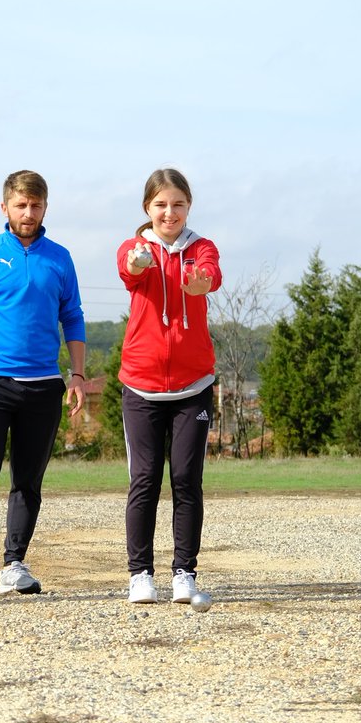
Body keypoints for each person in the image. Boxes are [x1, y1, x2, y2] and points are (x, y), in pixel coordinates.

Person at [0, 170, 86, 598]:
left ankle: (14, 564)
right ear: (4, 208)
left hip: (44, 384)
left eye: (36, 205)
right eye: (21, 205)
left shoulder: (60, 258)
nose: (29, 213)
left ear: (45, 207)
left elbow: (73, 317)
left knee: (28, 479)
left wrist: (77, 374)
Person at [117, 168, 222, 605]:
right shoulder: (135, 246)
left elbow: (209, 275)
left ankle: (185, 572)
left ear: (188, 207)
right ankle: (140, 573)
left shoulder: (202, 248)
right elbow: (130, 269)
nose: (169, 212)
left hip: (192, 385)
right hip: (140, 386)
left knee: (185, 479)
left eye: (178, 204)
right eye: (161, 204)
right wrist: (138, 262)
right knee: (144, 479)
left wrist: (200, 282)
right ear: (148, 208)